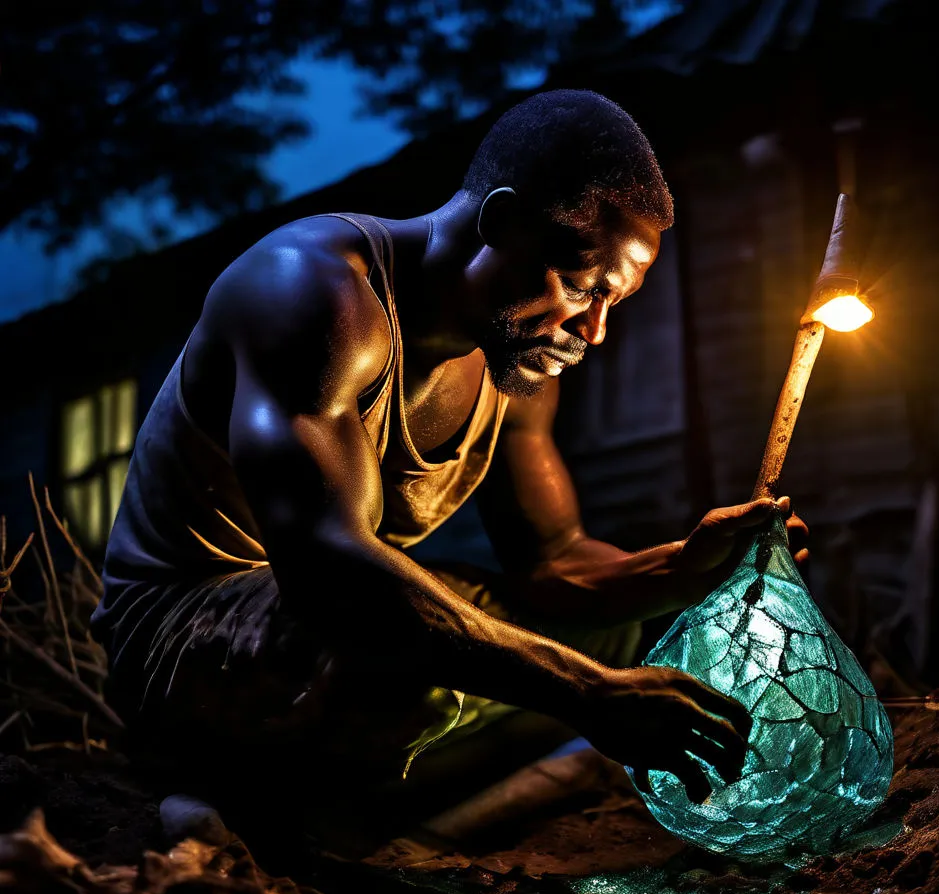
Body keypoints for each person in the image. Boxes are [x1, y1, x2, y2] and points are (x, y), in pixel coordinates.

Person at [91, 90, 807, 847]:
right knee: (410, 660)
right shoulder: (315, 293)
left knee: (611, 636)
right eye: (584, 287)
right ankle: (259, 810)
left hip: (336, 620)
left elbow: (554, 563)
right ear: (500, 225)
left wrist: (685, 569)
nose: (594, 331)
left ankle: (373, 823)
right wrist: (591, 697)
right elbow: (331, 575)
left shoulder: (517, 364)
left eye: (615, 303)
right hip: (181, 637)